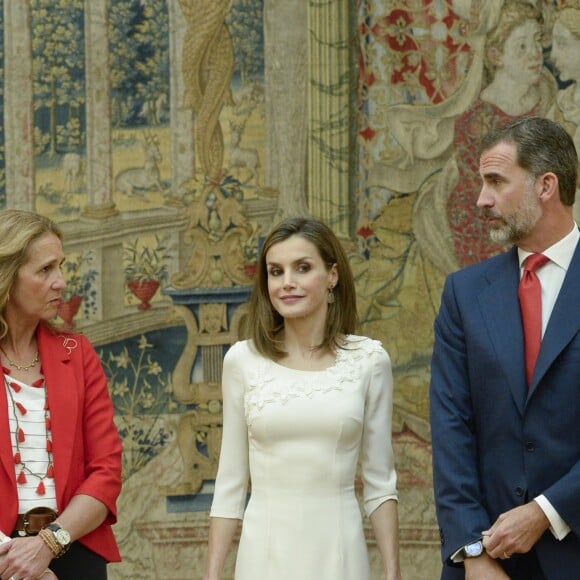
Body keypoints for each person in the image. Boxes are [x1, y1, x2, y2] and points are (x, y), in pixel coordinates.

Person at [203, 217, 401, 580]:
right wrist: (212, 574)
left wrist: (392, 573)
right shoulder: (242, 361)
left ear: (332, 276)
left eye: (303, 268)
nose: (286, 282)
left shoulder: (369, 361)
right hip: (263, 555)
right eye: (275, 271)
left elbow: (380, 482)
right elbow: (230, 483)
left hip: (340, 554)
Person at [430, 116, 580, 579]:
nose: (482, 199)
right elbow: (451, 428)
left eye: (496, 181)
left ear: (545, 185)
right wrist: (472, 550)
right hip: (487, 563)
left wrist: (546, 512)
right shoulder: (464, 294)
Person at [0, 210, 123, 580]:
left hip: (74, 550)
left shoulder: (77, 352)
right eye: (45, 269)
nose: (61, 282)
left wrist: (47, 545)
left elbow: (106, 471)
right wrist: (22, 565)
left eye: (61, 266)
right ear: (7, 277)